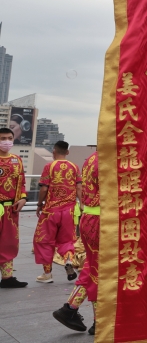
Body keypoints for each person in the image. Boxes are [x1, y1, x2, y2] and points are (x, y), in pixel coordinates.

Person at [53, 152, 99, 334]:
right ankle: (100, 321)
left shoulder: (92, 157)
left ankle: (69, 309)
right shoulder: (112, 159)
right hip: (103, 221)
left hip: (89, 218)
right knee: (101, 271)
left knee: (92, 267)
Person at [34, 141, 81, 284]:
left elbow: (44, 189)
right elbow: (79, 188)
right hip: (69, 211)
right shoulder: (74, 167)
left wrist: (39, 204)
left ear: (54, 151)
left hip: (51, 211)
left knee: (44, 241)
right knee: (67, 240)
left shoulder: (49, 166)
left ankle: (47, 274)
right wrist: (82, 205)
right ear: (67, 152)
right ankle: (68, 260)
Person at [0, 128, 27, 288]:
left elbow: (22, 183)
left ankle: (7, 278)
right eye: (3, 138)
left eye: (10, 138)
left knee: (9, 243)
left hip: (11, 210)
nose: (7, 141)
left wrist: (23, 198)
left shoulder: (17, 160)